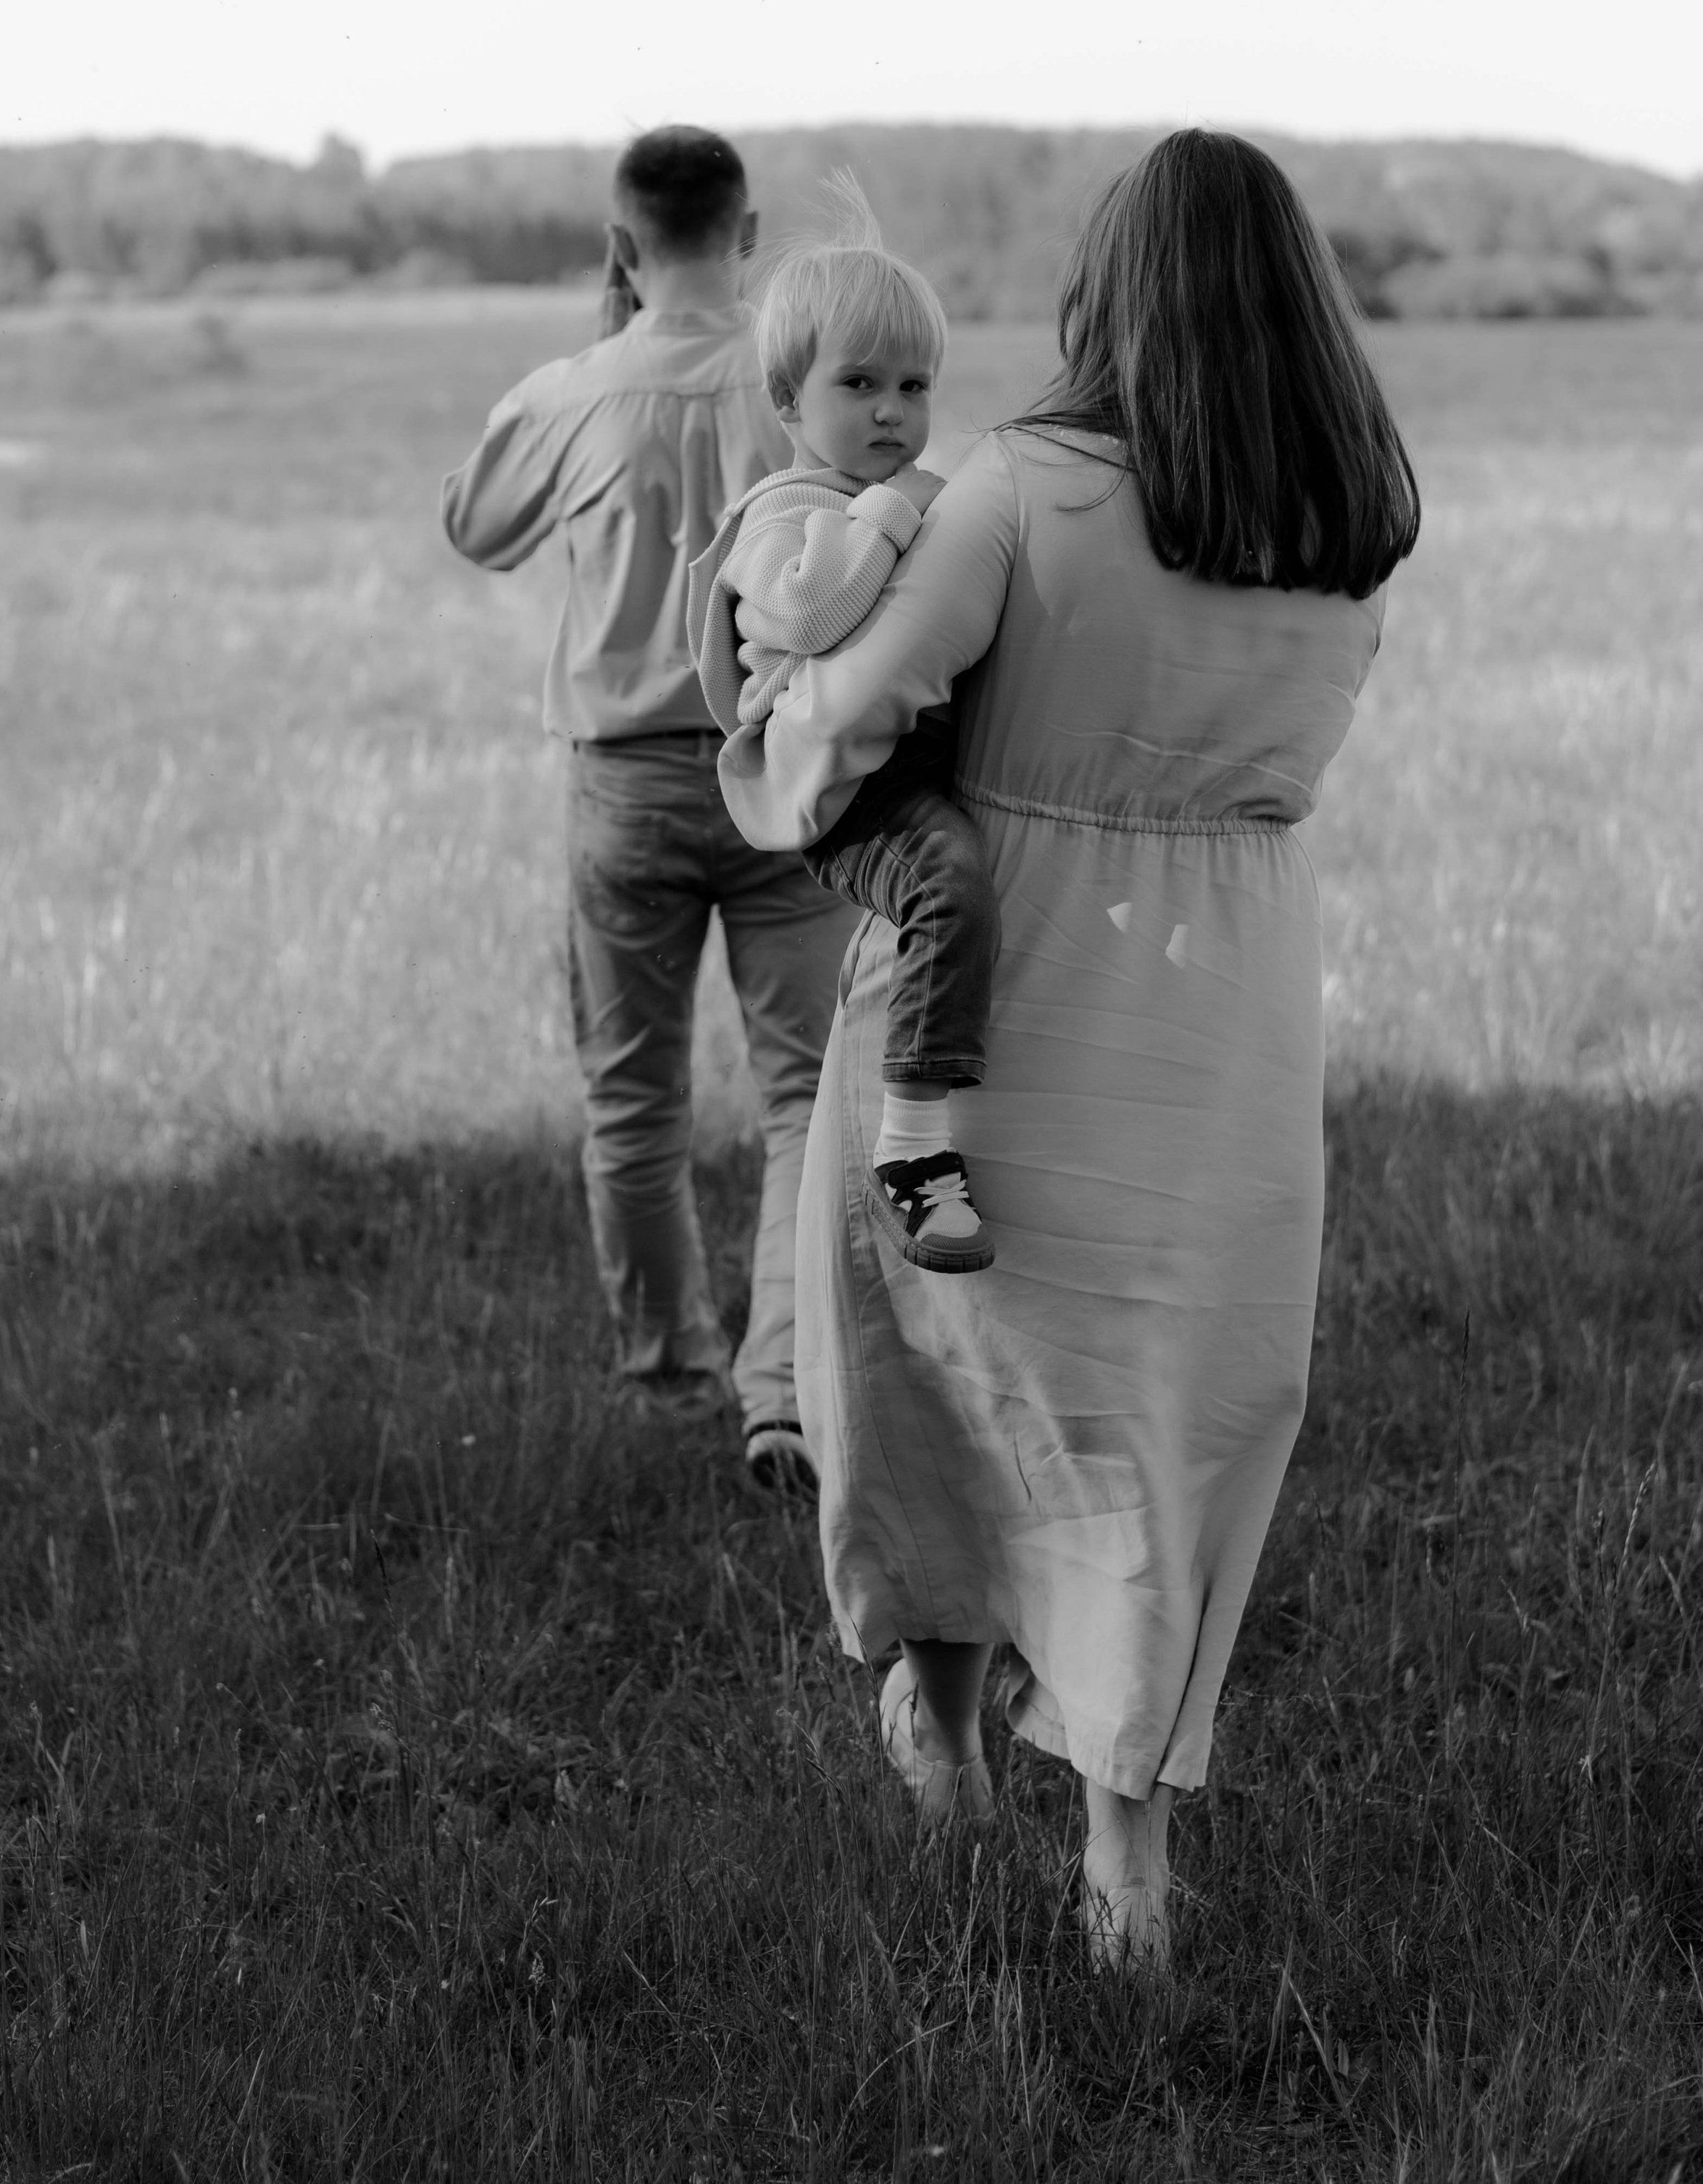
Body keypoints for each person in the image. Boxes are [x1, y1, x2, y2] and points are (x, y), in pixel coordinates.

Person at [721, 130, 1420, 1960]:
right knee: (1160, 1417)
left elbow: (847, 717)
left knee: (944, 1372)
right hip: (1222, 1026)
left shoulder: (1022, 487)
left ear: (1107, 298)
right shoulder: (1344, 527)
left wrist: (776, 741)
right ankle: (1124, 1842)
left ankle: (941, 1732)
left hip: (1000, 1000)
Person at [442, 126, 857, 1490]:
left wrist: (598, 350)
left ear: (623, 248)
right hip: (779, 764)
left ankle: (670, 1367)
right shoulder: (807, 378)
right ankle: (785, 1386)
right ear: (744, 238)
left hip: (622, 782)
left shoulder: (573, 391)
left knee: (632, 1094)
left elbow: (474, 523)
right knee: (806, 1089)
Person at [688, 178, 999, 1269]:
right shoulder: (787, 516)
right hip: (848, 791)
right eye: (858, 383)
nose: (891, 412)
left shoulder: (887, 496)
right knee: (946, 876)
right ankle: (914, 1149)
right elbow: (815, 611)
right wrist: (892, 510)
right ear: (787, 402)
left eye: (913, 385)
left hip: (901, 752)